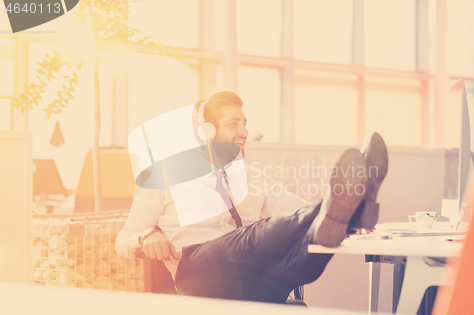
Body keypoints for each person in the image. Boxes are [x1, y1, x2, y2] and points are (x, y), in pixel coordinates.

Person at [115, 91, 388, 303]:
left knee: (301, 257)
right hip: (196, 272)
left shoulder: (254, 177)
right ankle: (348, 205)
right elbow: (124, 238)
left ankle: (347, 215)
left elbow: (297, 212)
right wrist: (146, 236)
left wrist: (345, 217)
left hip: (246, 278)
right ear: (206, 132)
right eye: (234, 123)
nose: (244, 131)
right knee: (256, 234)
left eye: (244, 123)